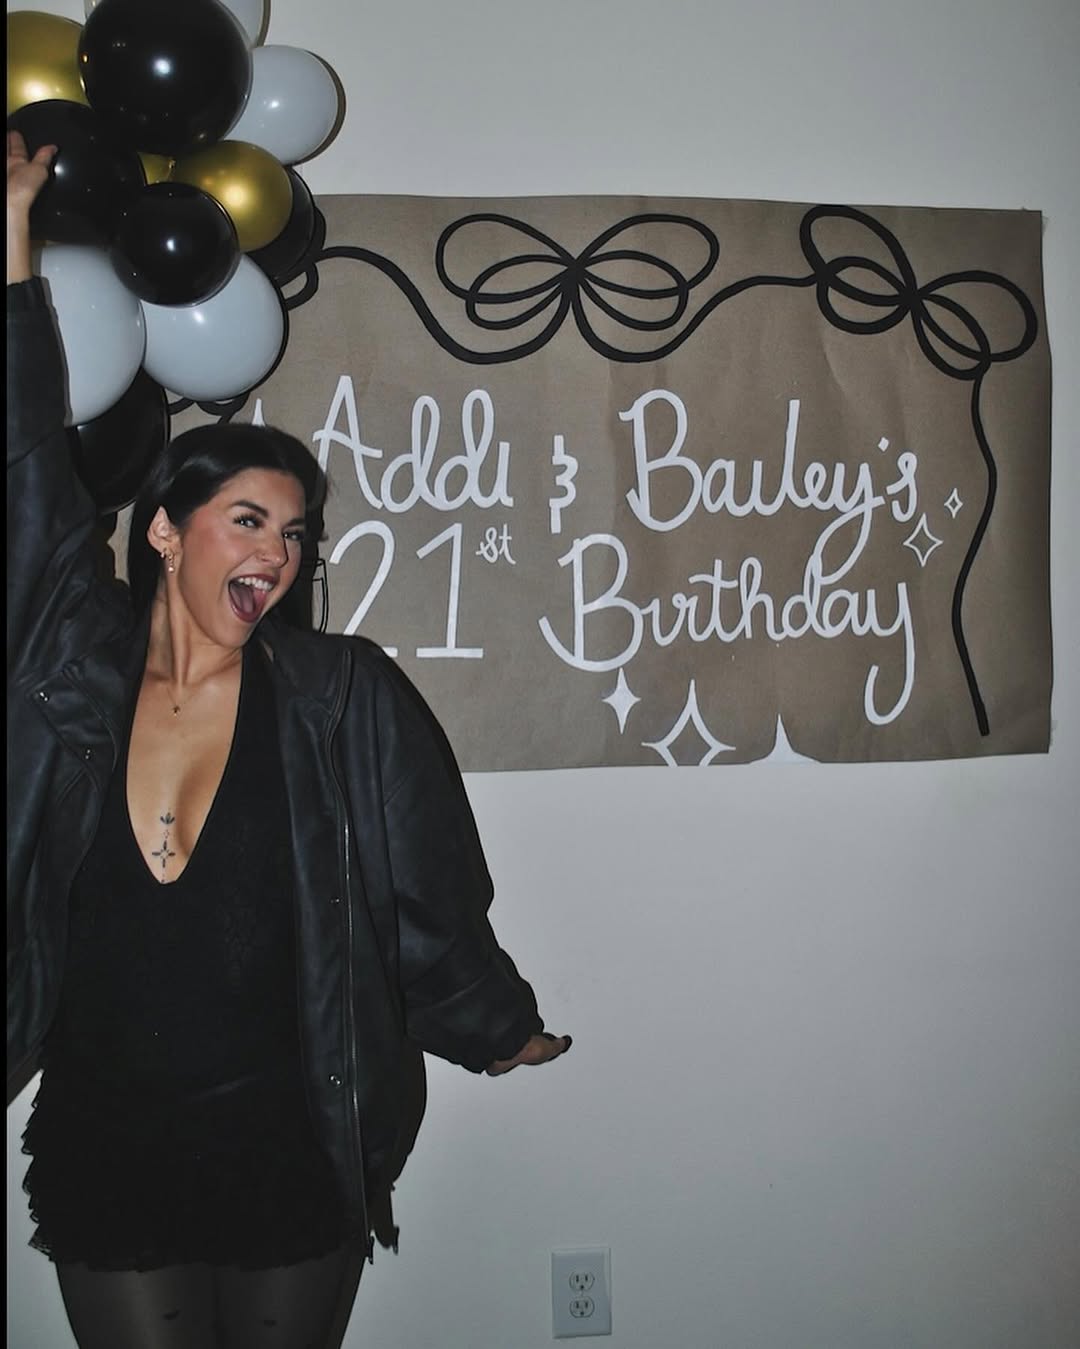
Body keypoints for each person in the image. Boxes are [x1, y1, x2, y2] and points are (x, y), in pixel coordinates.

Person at [7, 130, 570, 1349]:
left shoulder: (339, 692)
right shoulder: (75, 670)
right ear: (166, 532)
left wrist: (491, 1021)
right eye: (249, 518)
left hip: (291, 1124)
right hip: (109, 1129)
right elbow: (26, 480)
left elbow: (422, 883)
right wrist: (12, 247)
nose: (280, 550)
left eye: (298, 530)